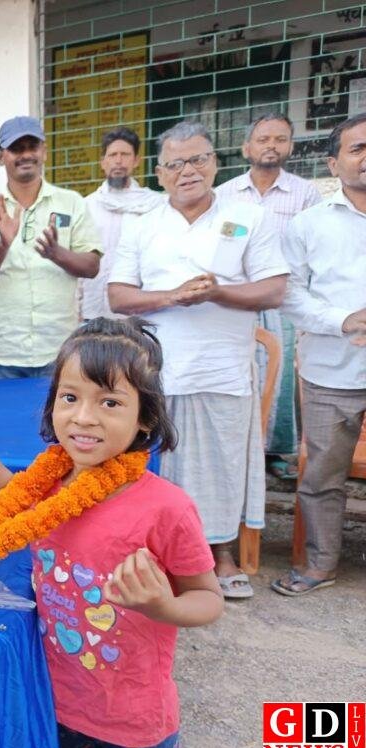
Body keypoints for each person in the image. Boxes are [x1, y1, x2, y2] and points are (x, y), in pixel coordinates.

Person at [0, 317, 223, 748]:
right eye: (70, 397)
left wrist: (162, 607)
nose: (83, 417)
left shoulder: (167, 508)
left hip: (131, 717)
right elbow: (18, 504)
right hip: (56, 698)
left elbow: (208, 598)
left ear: (145, 418)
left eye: (110, 402)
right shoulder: (52, 480)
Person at [108, 121, 290, 599]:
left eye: (198, 160)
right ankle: (161, 557)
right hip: (156, 373)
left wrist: (218, 292)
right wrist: (172, 296)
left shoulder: (248, 217)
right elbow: (119, 296)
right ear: (160, 173)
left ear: (215, 163)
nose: (188, 171)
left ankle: (221, 555)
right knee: (160, 469)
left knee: (223, 466)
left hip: (223, 369)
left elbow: (273, 288)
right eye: (175, 164)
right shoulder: (143, 224)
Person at [273, 113, 366, 597]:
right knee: (323, 474)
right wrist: (345, 320)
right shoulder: (309, 224)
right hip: (332, 370)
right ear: (334, 163)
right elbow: (290, 295)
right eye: (357, 148)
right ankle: (320, 563)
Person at [216, 113, 324, 479]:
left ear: (290, 146)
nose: (271, 146)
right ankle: (240, 447)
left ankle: (275, 452)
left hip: (283, 299)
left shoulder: (305, 193)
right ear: (247, 147)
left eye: (280, 139)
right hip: (236, 298)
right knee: (239, 372)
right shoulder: (226, 193)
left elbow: (311, 250)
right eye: (263, 140)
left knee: (278, 379)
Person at [0, 116, 102, 379]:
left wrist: (56, 253)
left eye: (32, 147)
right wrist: (2, 246)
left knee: (56, 422)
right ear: (0, 157)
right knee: (0, 422)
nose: (26, 155)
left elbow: (92, 267)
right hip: (1, 357)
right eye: (16, 148)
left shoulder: (71, 203)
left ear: (44, 152)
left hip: (59, 353)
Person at [80, 127, 161, 320]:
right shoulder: (86, 206)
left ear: (136, 161)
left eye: (125, 155)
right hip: (93, 311)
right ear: (102, 162)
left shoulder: (154, 205)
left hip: (139, 313)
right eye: (112, 155)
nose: (118, 161)